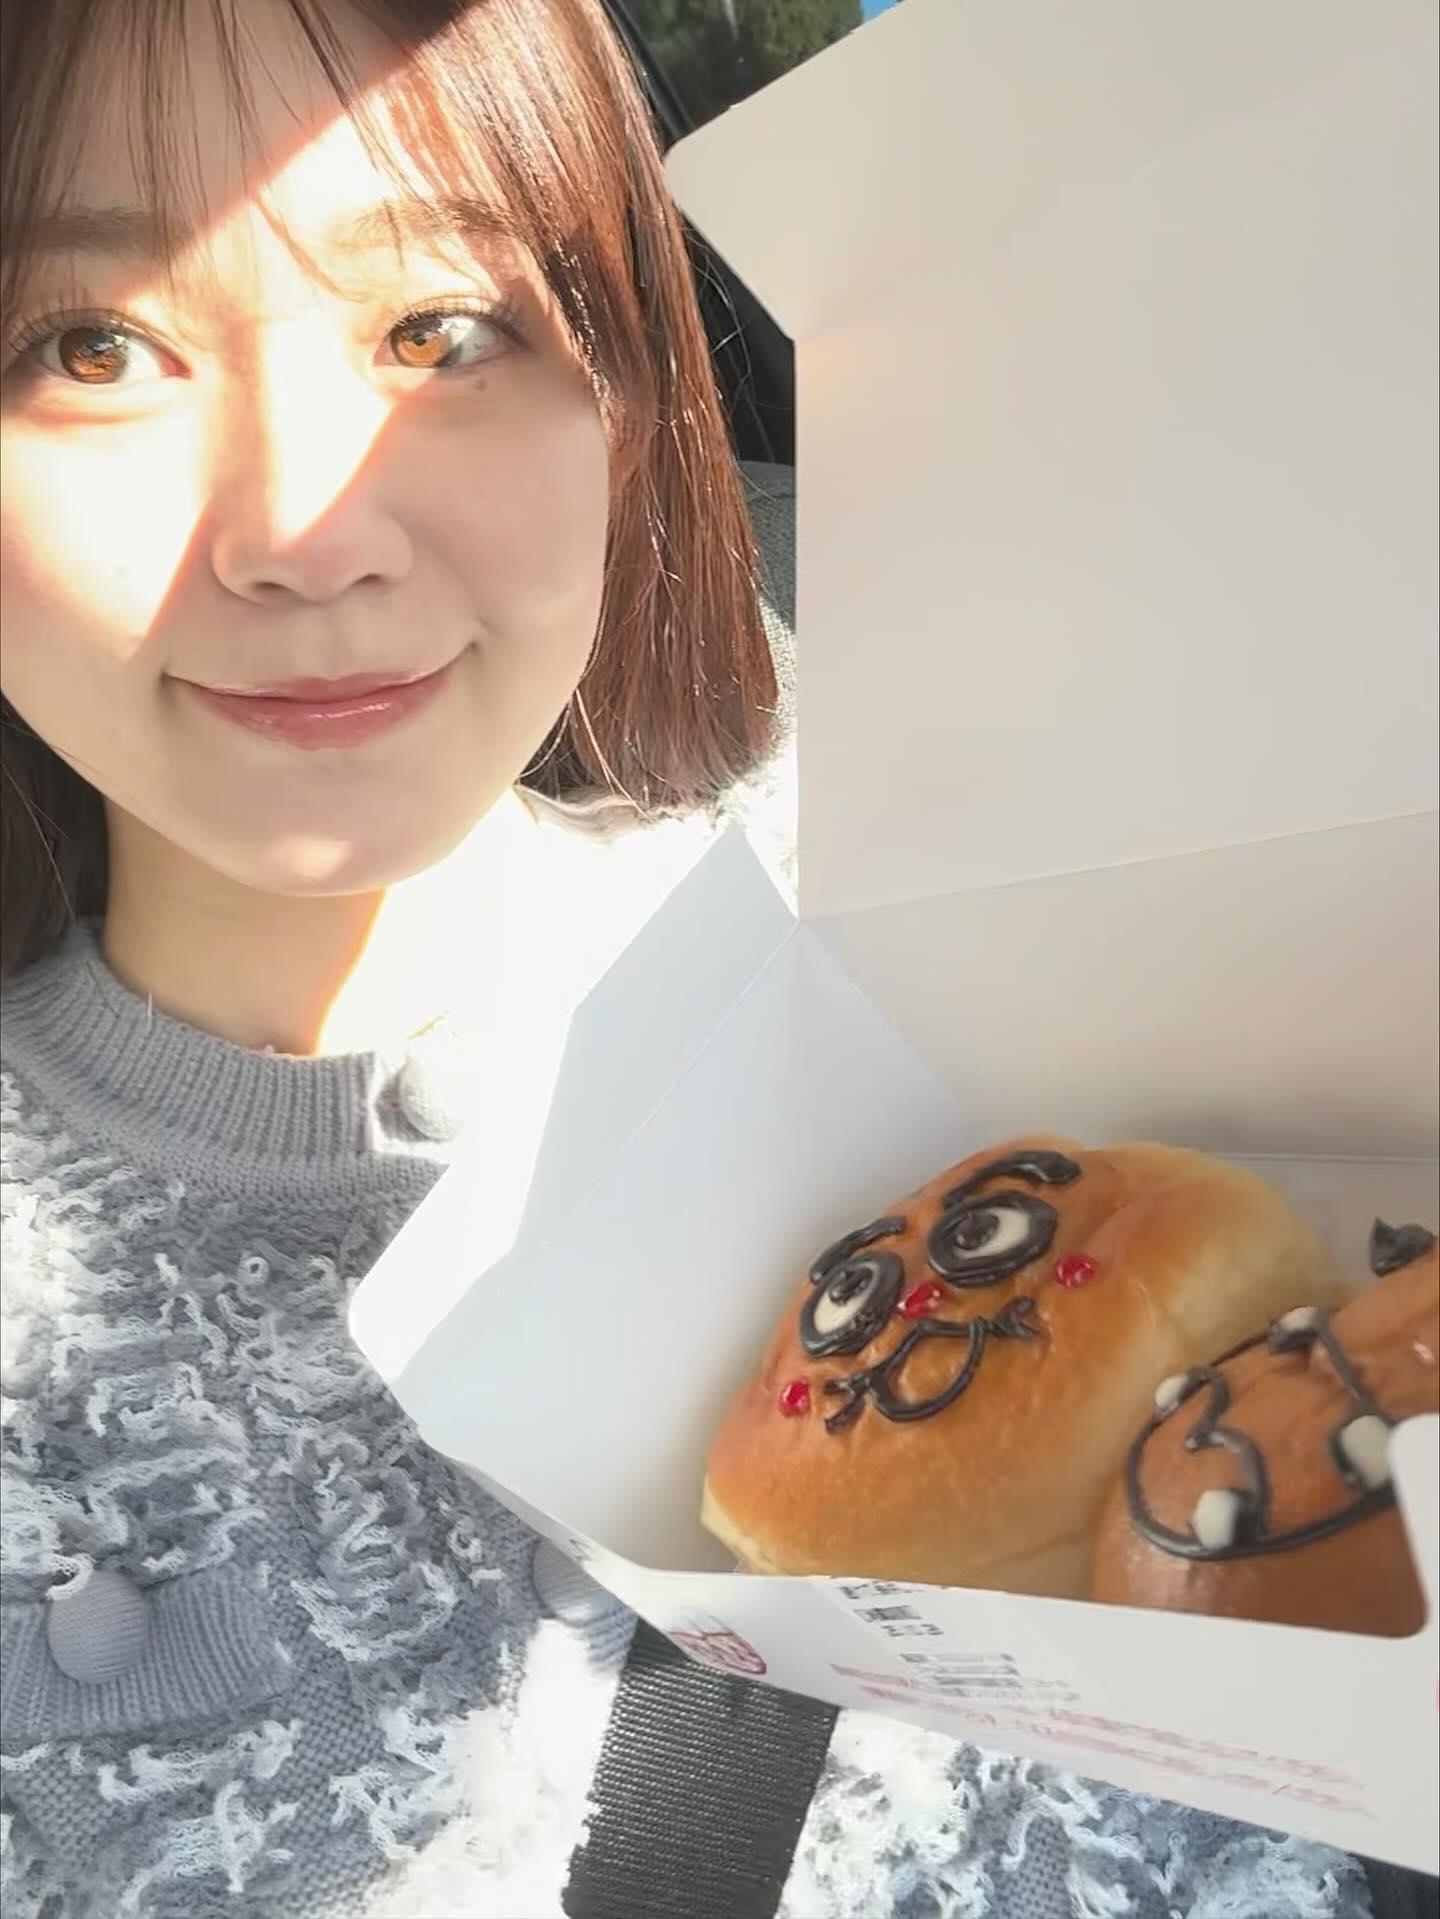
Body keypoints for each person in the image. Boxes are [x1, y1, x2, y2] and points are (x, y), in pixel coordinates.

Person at [0, 4, 1384, 1915]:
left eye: (439, 329)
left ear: (625, 399)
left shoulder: (1035, 875)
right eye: (96, 345)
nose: (304, 535)